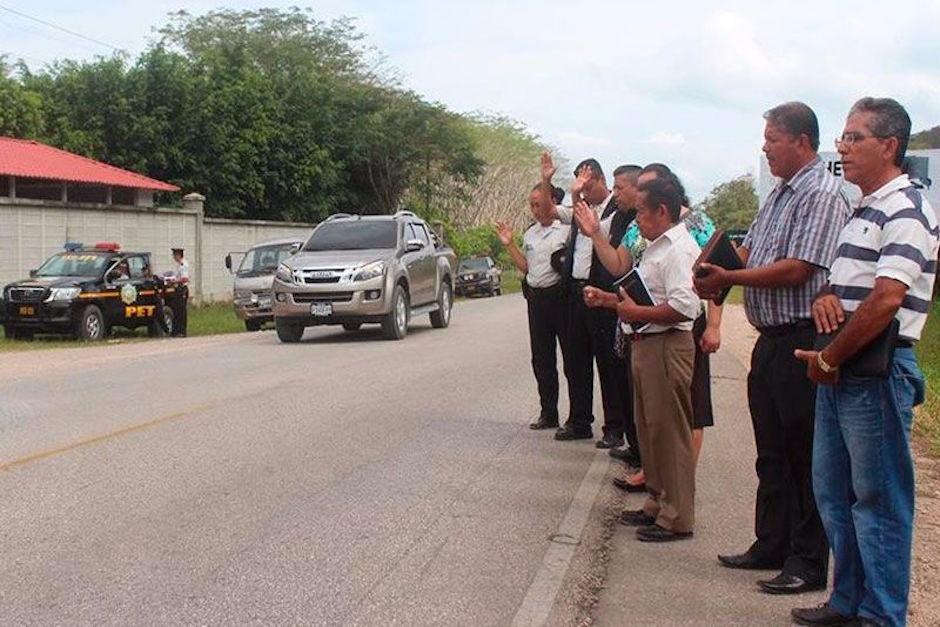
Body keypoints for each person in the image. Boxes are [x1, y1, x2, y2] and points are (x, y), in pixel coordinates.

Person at [791, 98, 939, 627]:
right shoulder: (864, 209)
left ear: (890, 146)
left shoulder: (907, 210)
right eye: (843, 135)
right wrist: (825, 296)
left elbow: (886, 299)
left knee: (878, 502)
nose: (843, 146)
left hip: (874, 373)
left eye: (855, 137)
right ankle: (847, 601)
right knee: (835, 494)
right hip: (843, 372)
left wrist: (829, 356)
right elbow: (846, 285)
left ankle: (881, 615)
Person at [695, 101, 850, 595]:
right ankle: (772, 542)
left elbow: (798, 268)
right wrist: (716, 270)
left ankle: (806, 561)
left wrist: (732, 276)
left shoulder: (821, 195)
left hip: (804, 336)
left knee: (806, 455)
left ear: (801, 141)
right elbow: (751, 252)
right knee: (772, 452)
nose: (765, 148)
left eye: (772, 139)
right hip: (770, 341)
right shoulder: (780, 196)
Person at [592, 163, 722, 494]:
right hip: (645, 324)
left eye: (637, 187)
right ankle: (659, 484)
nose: (632, 194)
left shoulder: (693, 226)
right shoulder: (641, 228)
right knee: (653, 417)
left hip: (679, 327)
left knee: (683, 412)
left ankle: (678, 487)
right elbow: (621, 265)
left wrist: (714, 327)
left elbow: (713, 279)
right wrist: (594, 233)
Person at [584, 176, 701, 542]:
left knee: (669, 433)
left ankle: (677, 516)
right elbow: (646, 297)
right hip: (646, 343)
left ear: (662, 211)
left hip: (667, 345)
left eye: (641, 214)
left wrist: (637, 315)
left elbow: (686, 306)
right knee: (650, 430)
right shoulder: (655, 247)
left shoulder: (678, 249)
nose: (636, 222)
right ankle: (657, 503)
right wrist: (610, 302)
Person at [538, 153, 635, 450]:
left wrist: (575, 194)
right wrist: (546, 180)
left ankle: (615, 427)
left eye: (588, 185)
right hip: (575, 294)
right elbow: (547, 211)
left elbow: (608, 243)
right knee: (575, 361)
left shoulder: (617, 212)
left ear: (602, 182)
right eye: (579, 184)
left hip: (603, 295)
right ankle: (579, 420)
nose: (583, 190)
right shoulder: (579, 209)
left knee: (609, 363)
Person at [495, 184, 572, 430]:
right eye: (531, 204)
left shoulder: (568, 230)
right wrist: (509, 244)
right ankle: (548, 412)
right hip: (537, 299)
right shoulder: (530, 234)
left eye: (539, 204)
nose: (535, 209)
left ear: (552, 202)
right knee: (541, 358)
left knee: (571, 358)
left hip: (560, 297)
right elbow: (526, 266)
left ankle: (578, 417)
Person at [169, 247, 190, 337]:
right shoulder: (178, 265)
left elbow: (185, 278)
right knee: (176, 310)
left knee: (181, 311)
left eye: (174, 255)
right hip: (177, 289)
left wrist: (174, 282)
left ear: (178, 255)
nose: (173, 257)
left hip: (182, 290)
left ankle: (182, 331)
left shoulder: (183, 264)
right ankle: (176, 331)